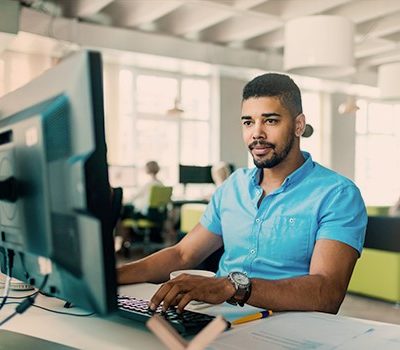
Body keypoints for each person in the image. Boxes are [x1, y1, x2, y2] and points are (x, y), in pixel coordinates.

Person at [117, 73, 367, 315]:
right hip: (216, 316)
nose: (256, 133)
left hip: (287, 324)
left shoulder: (337, 194)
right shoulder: (233, 186)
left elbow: (327, 293)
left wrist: (232, 287)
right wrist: (111, 276)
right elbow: (183, 254)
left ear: (298, 125)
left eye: (270, 121)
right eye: (248, 122)